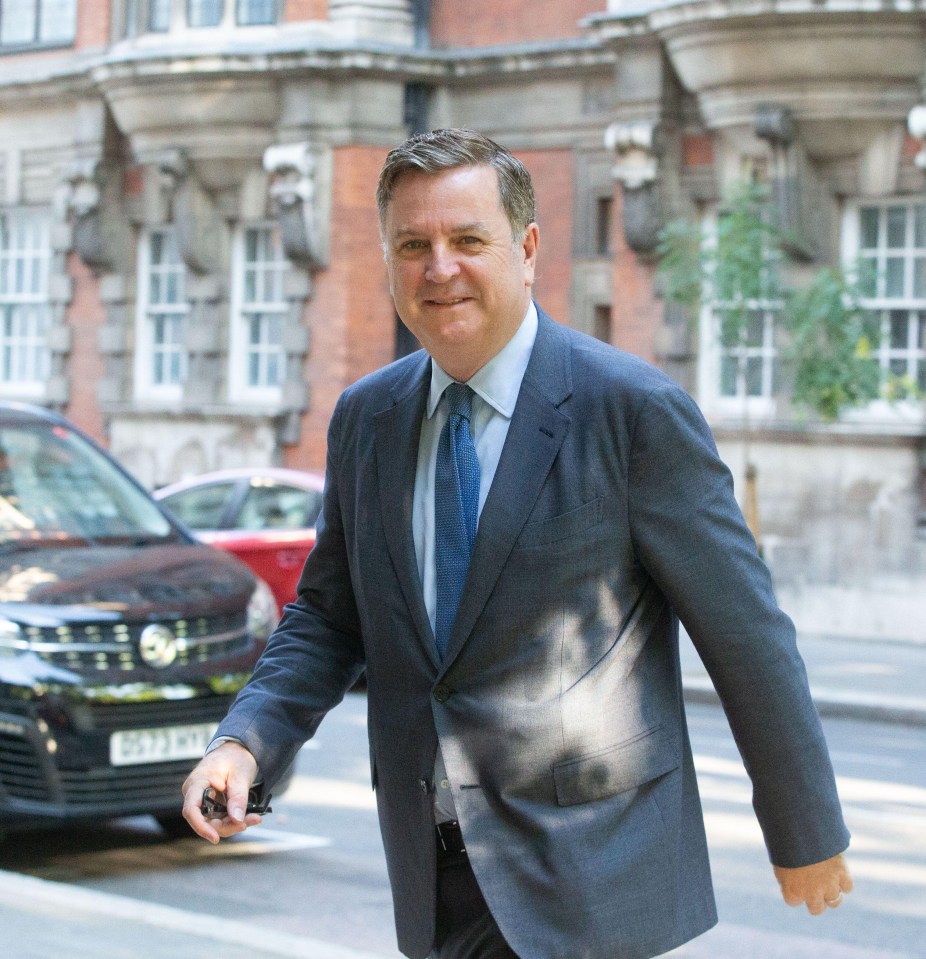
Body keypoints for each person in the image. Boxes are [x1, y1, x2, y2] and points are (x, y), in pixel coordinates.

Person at [182, 128, 853, 959]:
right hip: (433, 873)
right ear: (388, 260)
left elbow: (745, 631)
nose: (439, 268)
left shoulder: (632, 411)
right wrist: (246, 741)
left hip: (592, 874)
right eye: (413, 245)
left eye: (468, 240)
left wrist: (804, 828)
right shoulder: (367, 418)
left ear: (527, 249)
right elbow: (328, 617)